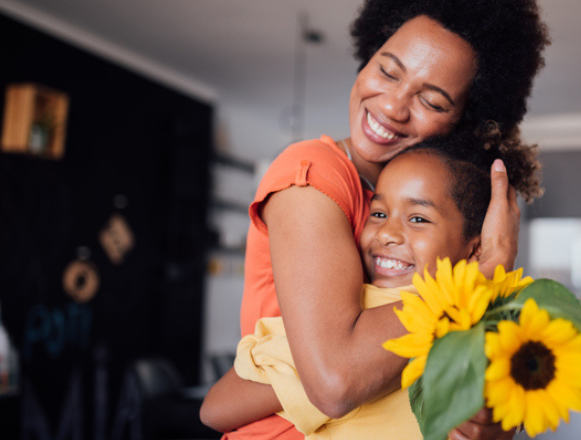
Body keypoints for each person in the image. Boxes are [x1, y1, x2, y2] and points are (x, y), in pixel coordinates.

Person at [200, 1, 549, 439]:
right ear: (368, 55)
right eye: (388, 71)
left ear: (465, 121)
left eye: (431, 100)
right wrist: (478, 276)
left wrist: (490, 420)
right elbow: (336, 380)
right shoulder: (313, 173)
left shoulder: (421, 223)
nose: (393, 106)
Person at [231, 138, 541, 440]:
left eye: (418, 218)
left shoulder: (364, 315)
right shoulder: (354, 305)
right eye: (378, 213)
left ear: (474, 248)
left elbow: (216, 407)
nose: (388, 234)